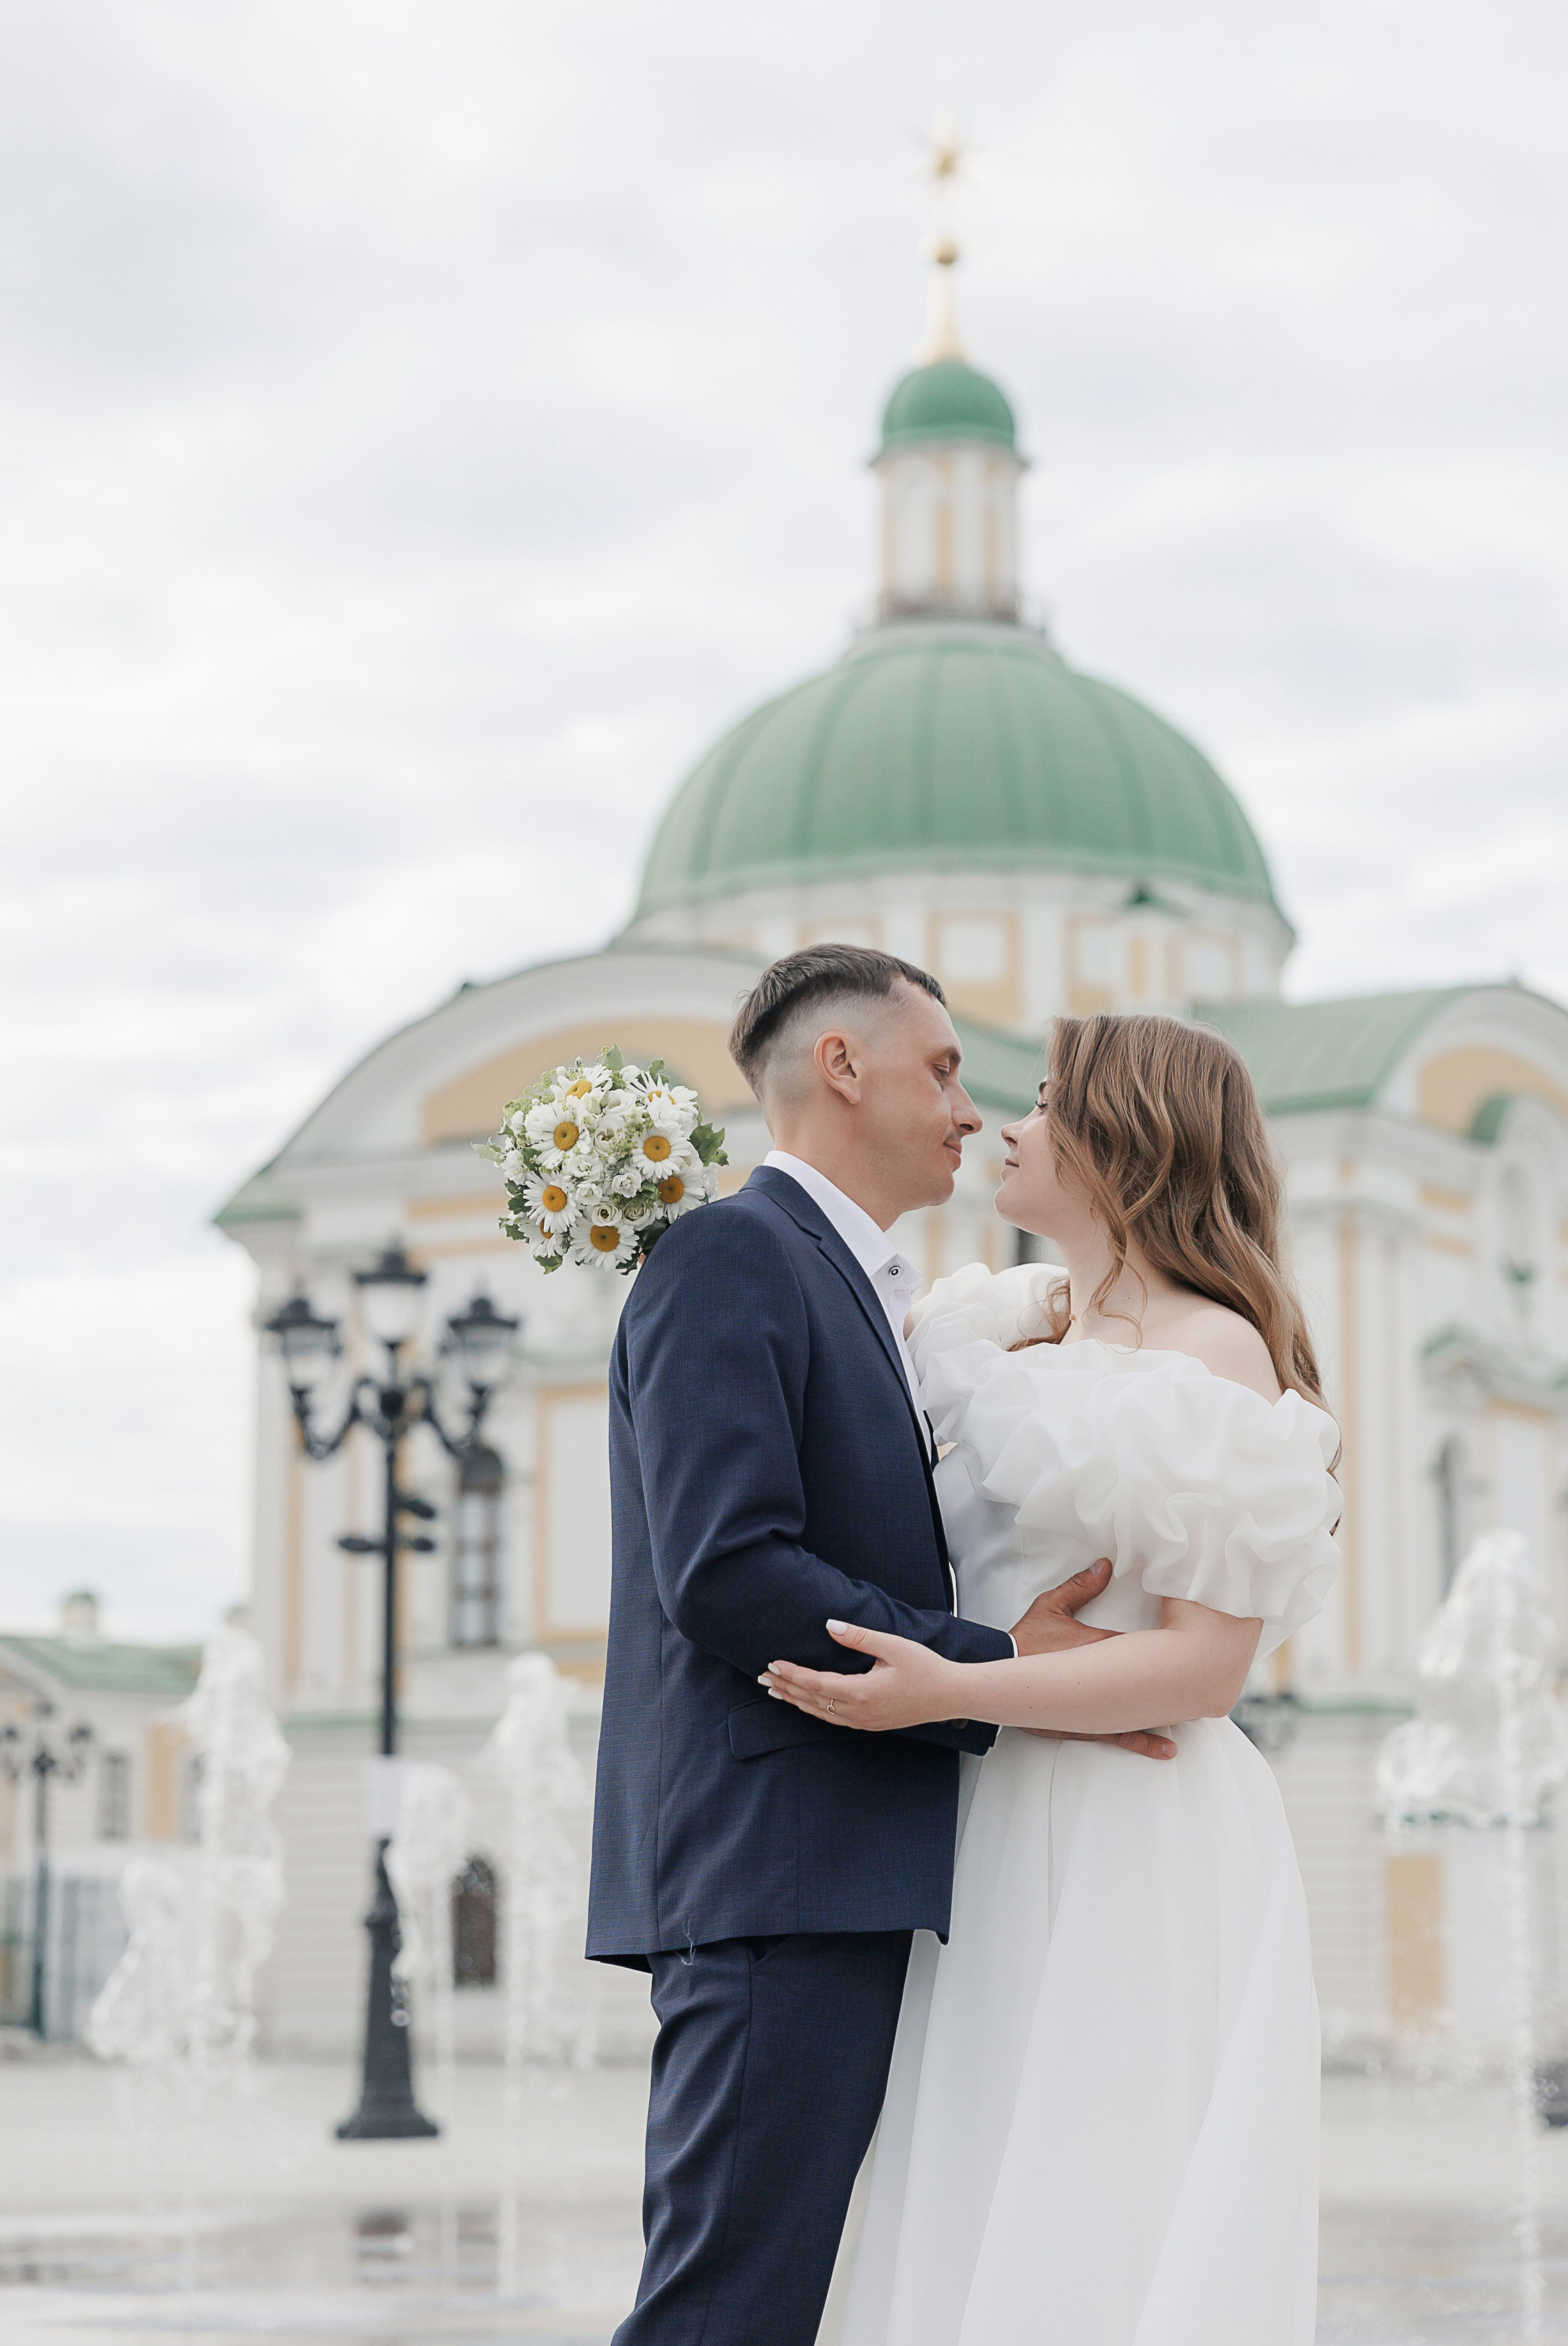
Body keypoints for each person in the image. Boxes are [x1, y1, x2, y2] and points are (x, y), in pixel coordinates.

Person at [586, 947, 1180, 2346]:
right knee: (728, 2306)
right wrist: (992, 1666)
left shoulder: (854, 1280)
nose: (970, 1110)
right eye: (942, 1068)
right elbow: (728, 1571)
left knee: (788, 2298)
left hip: (835, 1863)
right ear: (840, 1068)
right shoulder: (732, 1251)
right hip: (775, 1867)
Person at [765, 1008, 1342, 2346]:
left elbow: (1206, 1666)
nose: (1004, 1126)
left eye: (1041, 1104)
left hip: (1131, 1832)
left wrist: (950, 1689)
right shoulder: (1010, 1334)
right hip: (996, 1816)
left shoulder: (1215, 1354)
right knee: (975, 2165)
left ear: (1122, 1140)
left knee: (1097, 2191)